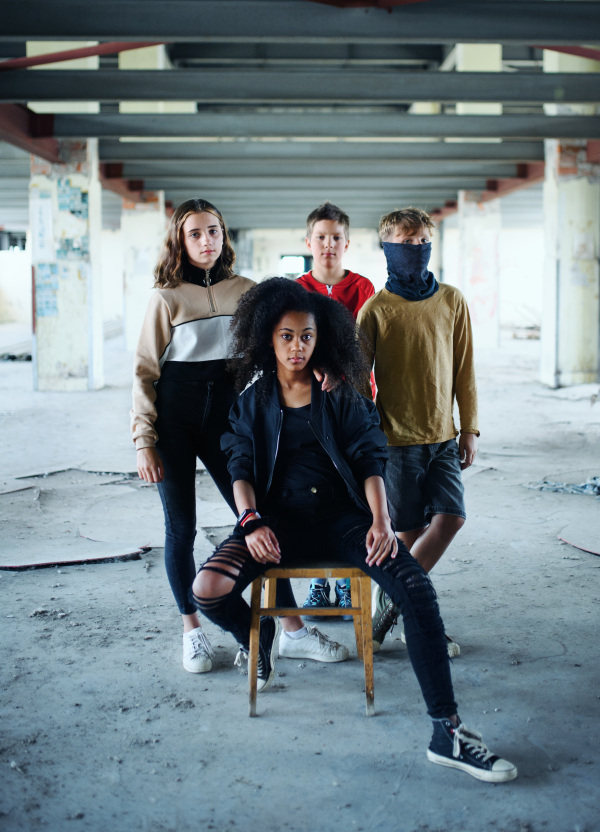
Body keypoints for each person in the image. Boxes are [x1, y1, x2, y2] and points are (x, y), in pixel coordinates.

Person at [191, 279, 516, 782]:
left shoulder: (339, 392)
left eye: (306, 336)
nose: (297, 347)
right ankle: (258, 637)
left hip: (344, 522)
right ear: (266, 340)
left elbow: (370, 457)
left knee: (416, 590)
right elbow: (240, 467)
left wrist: (382, 522)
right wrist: (250, 522)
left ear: (320, 339)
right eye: (286, 336)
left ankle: (446, 730)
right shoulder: (253, 402)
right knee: (207, 589)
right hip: (276, 525)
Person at [132, 199, 345, 675]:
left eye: (214, 231)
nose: (207, 241)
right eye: (195, 234)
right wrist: (144, 439)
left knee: (262, 520)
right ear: (179, 241)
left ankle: (292, 631)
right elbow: (144, 371)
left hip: (225, 422)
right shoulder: (165, 298)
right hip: (173, 424)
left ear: (224, 236)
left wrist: (327, 362)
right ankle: (193, 631)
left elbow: (295, 324)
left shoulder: (247, 291)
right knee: (180, 529)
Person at [356, 208, 478, 656]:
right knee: (405, 538)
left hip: (443, 436)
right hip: (396, 443)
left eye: (423, 241)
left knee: (451, 517)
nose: (416, 249)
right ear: (388, 247)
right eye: (406, 243)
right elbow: (356, 382)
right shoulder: (375, 310)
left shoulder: (451, 300)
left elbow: (465, 370)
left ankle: (390, 606)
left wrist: (471, 428)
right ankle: (418, 619)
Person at [296, 201, 375, 618]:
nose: (328, 244)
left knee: (354, 490)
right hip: (308, 403)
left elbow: (366, 346)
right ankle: (318, 582)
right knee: (314, 489)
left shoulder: (363, 288)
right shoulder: (297, 288)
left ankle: (346, 579)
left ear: (348, 243)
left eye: (336, 238)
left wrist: (342, 373)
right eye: (321, 237)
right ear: (308, 242)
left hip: (353, 401)